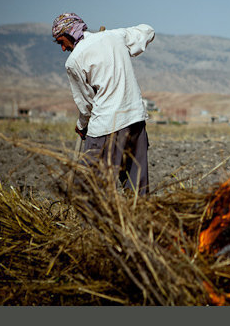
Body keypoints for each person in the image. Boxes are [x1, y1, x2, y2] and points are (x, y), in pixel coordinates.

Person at [52, 12, 155, 195]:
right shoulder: (114, 37)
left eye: (61, 42)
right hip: (135, 119)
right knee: (137, 185)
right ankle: (138, 221)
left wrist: (81, 126)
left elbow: (86, 104)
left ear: (70, 34)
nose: (62, 48)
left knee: (88, 187)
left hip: (107, 126)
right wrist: (120, 44)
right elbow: (148, 31)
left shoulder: (74, 61)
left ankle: (92, 223)